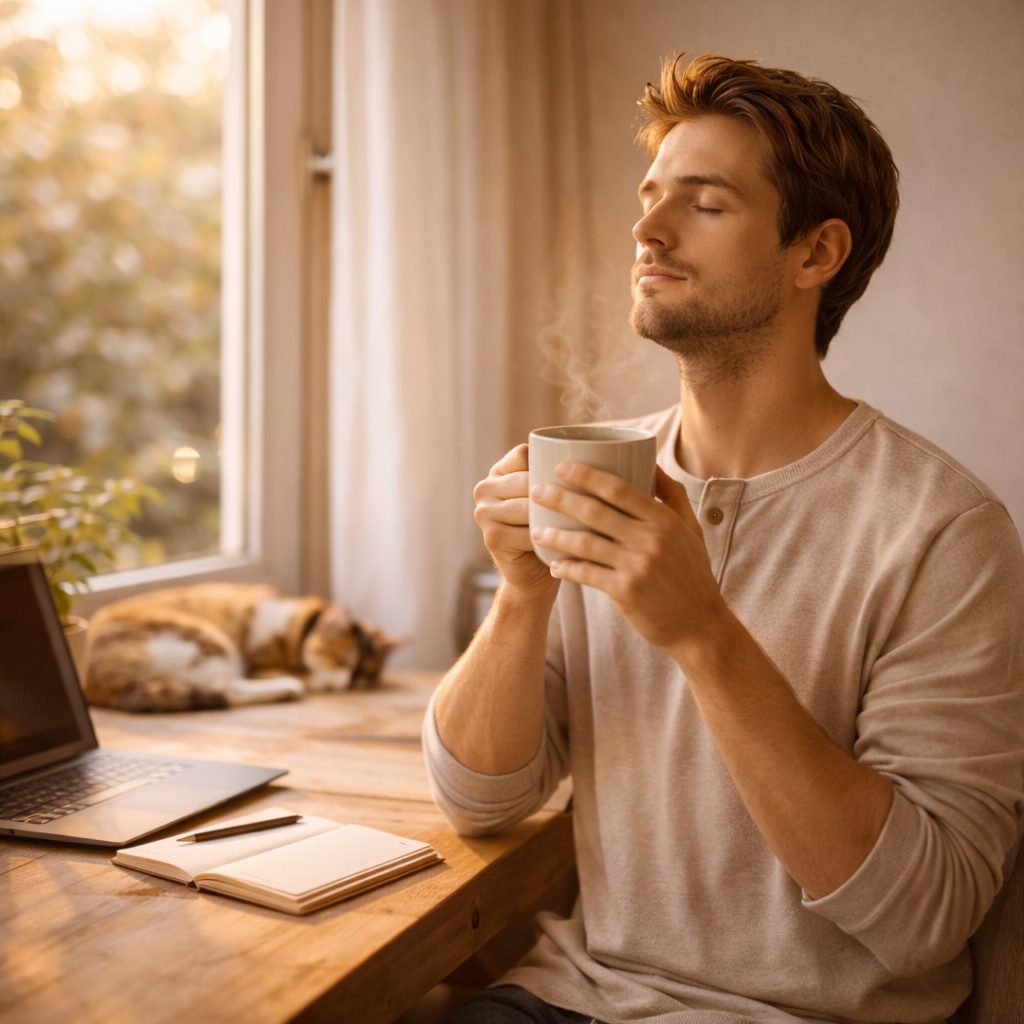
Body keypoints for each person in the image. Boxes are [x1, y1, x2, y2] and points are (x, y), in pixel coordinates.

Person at [424, 54, 1024, 1024]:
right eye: (650, 196)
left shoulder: (943, 529)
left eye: (702, 204)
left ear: (815, 254)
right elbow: (477, 801)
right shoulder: (608, 478)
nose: (646, 230)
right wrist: (522, 591)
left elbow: (926, 914)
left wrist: (704, 634)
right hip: (578, 996)